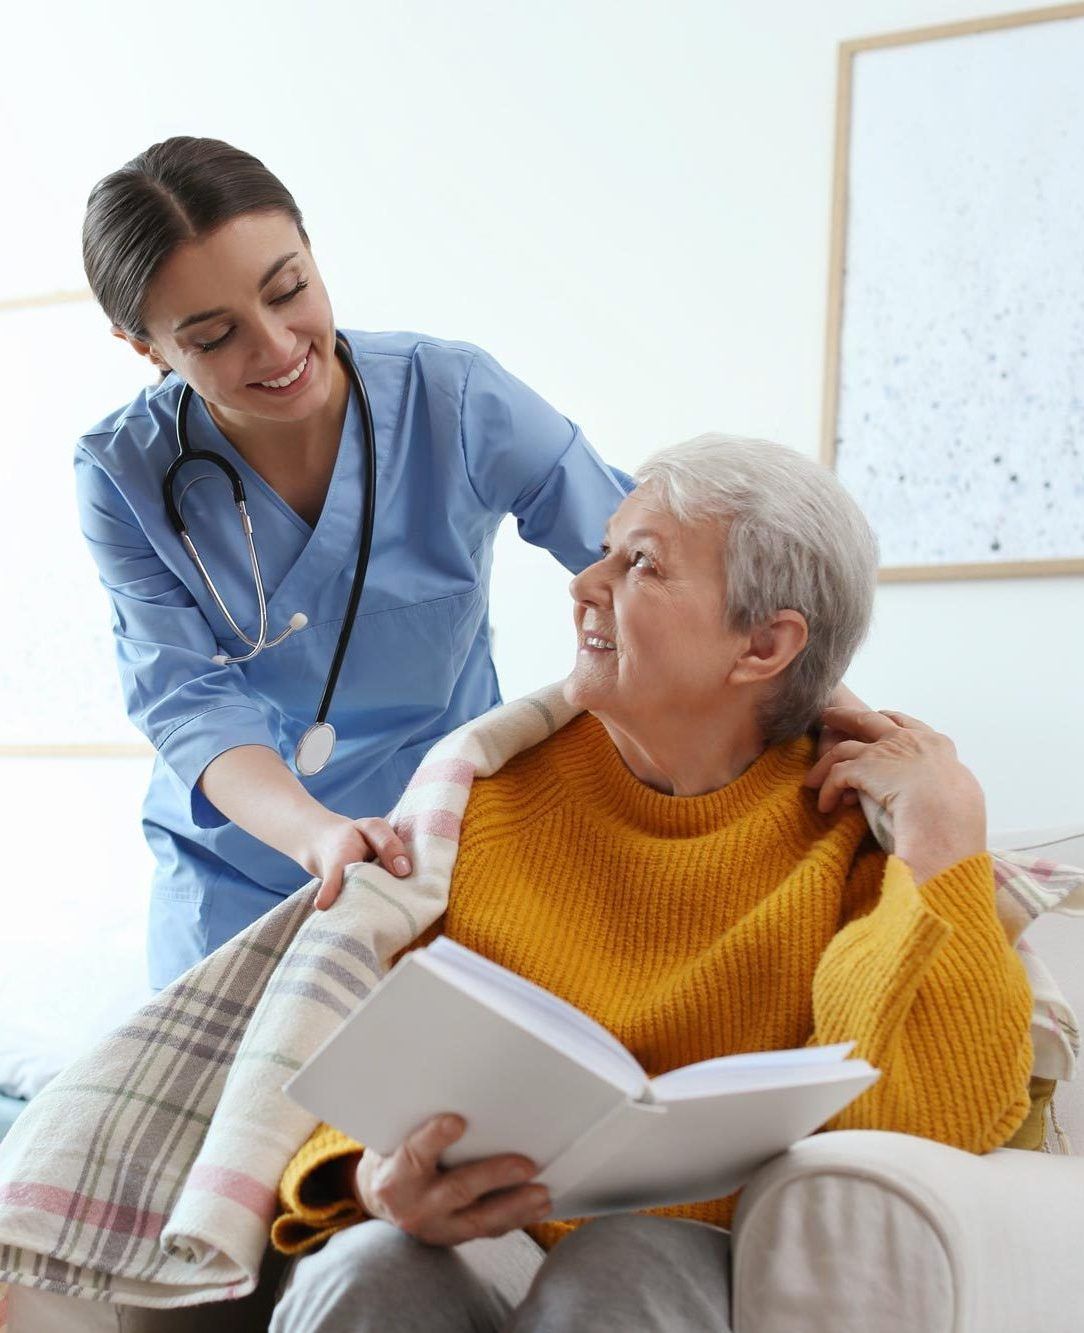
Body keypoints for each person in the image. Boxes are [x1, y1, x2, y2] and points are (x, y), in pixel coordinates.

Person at [268, 435, 1033, 1332]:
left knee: (620, 1262)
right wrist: (372, 1174)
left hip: (693, 1259)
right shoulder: (485, 799)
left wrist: (947, 830)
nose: (584, 585)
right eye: (605, 551)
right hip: (484, 1230)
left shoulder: (849, 832)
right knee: (371, 1267)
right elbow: (354, 1056)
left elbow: (944, 1117)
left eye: (640, 564)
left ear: (764, 642)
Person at [75, 136, 634, 987]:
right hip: (237, 866)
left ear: (310, 248)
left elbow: (647, 563)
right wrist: (314, 831)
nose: (275, 346)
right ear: (143, 346)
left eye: (288, 288)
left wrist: (813, 701)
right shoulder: (125, 473)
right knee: (220, 1114)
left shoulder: (452, 399)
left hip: (438, 840)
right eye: (214, 335)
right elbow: (186, 700)